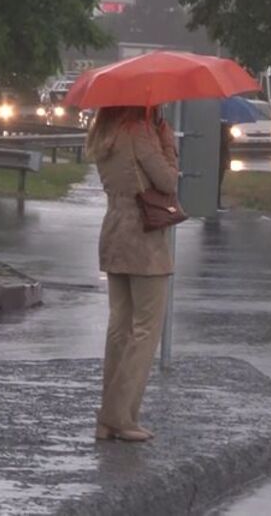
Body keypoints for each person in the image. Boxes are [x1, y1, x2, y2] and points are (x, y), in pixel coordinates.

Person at [86, 106, 179, 443]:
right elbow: (167, 180)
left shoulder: (103, 131)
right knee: (146, 329)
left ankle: (109, 419)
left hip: (113, 229)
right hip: (143, 237)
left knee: (119, 326)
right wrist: (168, 143)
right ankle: (119, 415)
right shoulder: (139, 131)